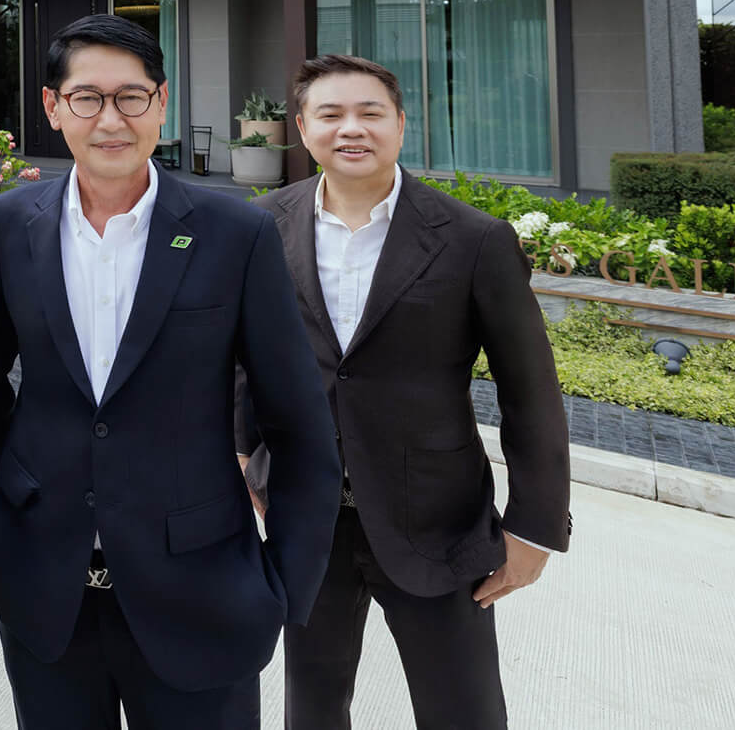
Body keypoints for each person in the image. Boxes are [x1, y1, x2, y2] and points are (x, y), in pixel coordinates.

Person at [0, 13, 340, 730]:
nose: (111, 119)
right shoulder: (12, 222)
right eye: (87, 97)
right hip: (44, 592)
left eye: (131, 96)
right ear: (52, 106)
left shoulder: (237, 232)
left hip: (202, 597)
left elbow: (298, 421)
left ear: (162, 103)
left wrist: (283, 586)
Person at [236, 53, 571, 729]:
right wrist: (245, 455)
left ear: (400, 123)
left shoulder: (474, 239)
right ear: (302, 127)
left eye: (370, 113)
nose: (350, 128)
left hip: (439, 519)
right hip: (305, 518)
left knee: (464, 710)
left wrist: (535, 526)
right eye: (331, 114)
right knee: (312, 703)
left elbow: (530, 390)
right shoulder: (259, 226)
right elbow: (243, 357)